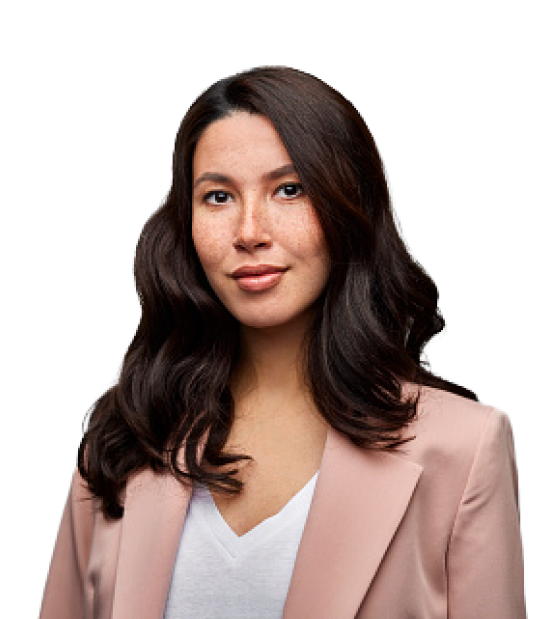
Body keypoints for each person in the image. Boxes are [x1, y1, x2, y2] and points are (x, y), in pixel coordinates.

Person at [39, 65, 527, 618]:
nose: (249, 232)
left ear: (349, 207)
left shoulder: (464, 447)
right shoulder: (125, 437)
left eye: (289, 190)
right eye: (218, 196)